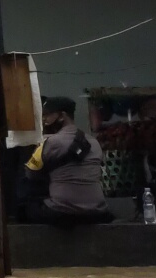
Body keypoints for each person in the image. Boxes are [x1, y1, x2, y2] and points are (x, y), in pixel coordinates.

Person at [24, 95, 114, 226]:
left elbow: (30, 174)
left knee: (25, 209)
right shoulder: (94, 142)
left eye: (47, 115)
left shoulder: (50, 143)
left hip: (63, 212)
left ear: (62, 116)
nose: (44, 120)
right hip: (97, 212)